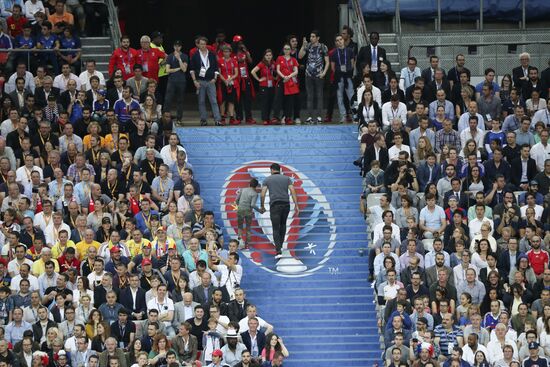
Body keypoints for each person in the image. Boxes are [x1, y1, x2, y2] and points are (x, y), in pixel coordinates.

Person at [260, 163, 299, 259]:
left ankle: (278, 251)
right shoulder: (287, 179)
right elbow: (293, 191)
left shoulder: (267, 179)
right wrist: (296, 205)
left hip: (275, 205)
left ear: (271, 170)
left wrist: (262, 206)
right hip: (286, 204)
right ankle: (280, 246)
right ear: (280, 170)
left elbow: (262, 194)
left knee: (275, 228)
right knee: (283, 225)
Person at [298, 30, 329, 124]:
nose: (311, 38)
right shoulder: (308, 46)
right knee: (310, 96)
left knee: (319, 96)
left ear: (318, 38)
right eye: (310, 36)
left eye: (313, 36)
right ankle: (310, 116)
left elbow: (327, 62)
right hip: (308, 75)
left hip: (319, 75)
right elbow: (299, 56)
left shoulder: (323, 47)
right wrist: (303, 46)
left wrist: (324, 73)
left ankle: (319, 116)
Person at [189, 36, 221, 126]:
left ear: (206, 44)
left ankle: (217, 120)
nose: (203, 45)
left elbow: (216, 68)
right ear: (198, 45)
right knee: (201, 101)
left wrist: (215, 78)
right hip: (200, 81)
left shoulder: (211, 54)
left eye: (204, 44)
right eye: (201, 44)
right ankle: (203, 120)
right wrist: (195, 81)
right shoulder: (195, 55)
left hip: (211, 81)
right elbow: (192, 70)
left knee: (214, 101)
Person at [331, 33, 355, 123]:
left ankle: (354, 115)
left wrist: (348, 71)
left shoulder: (349, 51)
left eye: (340, 39)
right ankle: (343, 116)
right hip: (339, 77)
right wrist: (339, 72)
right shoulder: (333, 53)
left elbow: (352, 63)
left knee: (351, 96)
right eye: (337, 40)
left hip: (348, 77)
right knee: (340, 97)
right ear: (336, 43)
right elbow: (332, 67)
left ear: (343, 40)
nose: (339, 42)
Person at [164, 40, 188, 124]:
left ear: (181, 47)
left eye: (179, 46)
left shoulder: (184, 56)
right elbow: (167, 70)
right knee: (168, 99)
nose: (177, 47)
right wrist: (178, 69)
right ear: (173, 46)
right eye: (175, 46)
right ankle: (166, 119)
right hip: (172, 81)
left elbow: (184, 69)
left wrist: (179, 59)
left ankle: (179, 119)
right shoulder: (170, 56)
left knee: (180, 100)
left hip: (181, 81)